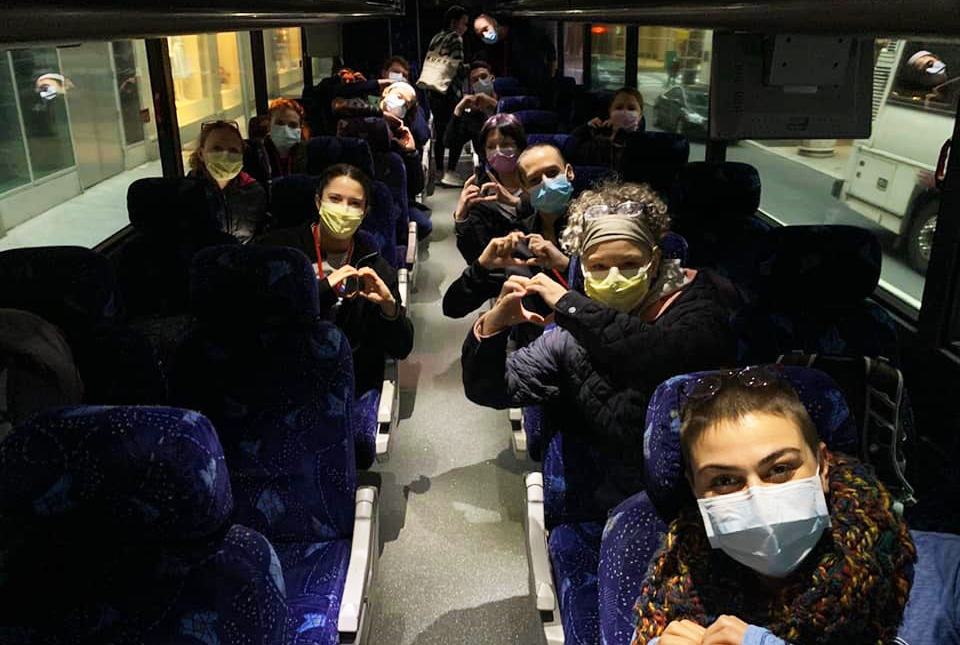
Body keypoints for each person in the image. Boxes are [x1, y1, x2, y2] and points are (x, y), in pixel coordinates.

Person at [461, 181, 736, 509]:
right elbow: (490, 389)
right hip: (616, 497)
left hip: (713, 491)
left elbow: (666, 355)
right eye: (598, 267)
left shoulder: (701, 304)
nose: (614, 277)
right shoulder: (569, 336)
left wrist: (572, 306)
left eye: (630, 263)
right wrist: (491, 329)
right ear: (582, 267)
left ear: (655, 260)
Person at [631, 371, 960, 645]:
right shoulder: (672, 589)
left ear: (823, 467)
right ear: (696, 490)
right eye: (725, 480)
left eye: (779, 469)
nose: (757, 499)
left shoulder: (947, 574)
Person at [253, 164, 414, 395]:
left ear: (364, 212)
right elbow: (261, 318)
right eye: (335, 199)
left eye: (355, 203)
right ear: (318, 202)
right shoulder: (280, 250)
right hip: (280, 372)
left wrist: (389, 308)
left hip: (346, 383)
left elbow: (402, 348)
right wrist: (324, 288)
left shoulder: (374, 266)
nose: (343, 210)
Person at [452, 113, 531, 265]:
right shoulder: (480, 194)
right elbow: (474, 257)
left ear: (520, 148)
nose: (498, 151)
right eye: (491, 147)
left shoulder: (538, 182)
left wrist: (518, 203)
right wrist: (461, 218)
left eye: (506, 145)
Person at [187, 120, 268, 244]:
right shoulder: (187, 193)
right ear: (201, 154)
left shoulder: (254, 192)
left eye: (233, 150)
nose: (225, 154)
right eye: (217, 148)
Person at [425, 5, 469, 180]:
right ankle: (450, 171)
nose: (465, 28)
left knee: (440, 130)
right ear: (454, 22)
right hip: (450, 93)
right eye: (464, 23)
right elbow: (458, 67)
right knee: (456, 131)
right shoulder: (455, 38)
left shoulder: (436, 37)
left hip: (434, 91)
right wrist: (468, 68)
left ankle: (438, 171)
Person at [440, 59, 500, 187]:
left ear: (492, 78)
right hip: (489, 175)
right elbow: (449, 142)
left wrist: (493, 104)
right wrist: (458, 109)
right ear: (471, 85)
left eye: (483, 77)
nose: (480, 82)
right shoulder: (473, 116)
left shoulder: (509, 101)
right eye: (475, 80)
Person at [570, 87, 644, 168]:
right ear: (610, 112)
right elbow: (570, 147)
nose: (625, 112)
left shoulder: (644, 143)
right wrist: (586, 128)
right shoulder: (598, 137)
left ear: (640, 116)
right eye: (619, 108)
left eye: (631, 109)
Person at [245, 98, 309, 189]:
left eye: (293, 125)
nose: (285, 130)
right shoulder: (255, 154)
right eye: (280, 123)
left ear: (300, 129)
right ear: (269, 126)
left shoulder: (309, 152)